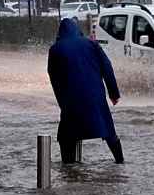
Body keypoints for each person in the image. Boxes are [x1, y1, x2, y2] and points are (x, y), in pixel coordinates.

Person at [47, 17, 123, 164]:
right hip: (96, 97)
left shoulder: (55, 49)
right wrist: (114, 94)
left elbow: (54, 78)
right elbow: (107, 68)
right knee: (108, 130)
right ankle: (120, 162)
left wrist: (62, 102)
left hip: (71, 101)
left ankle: (69, 168)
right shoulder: (91, 44)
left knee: (67, 136)